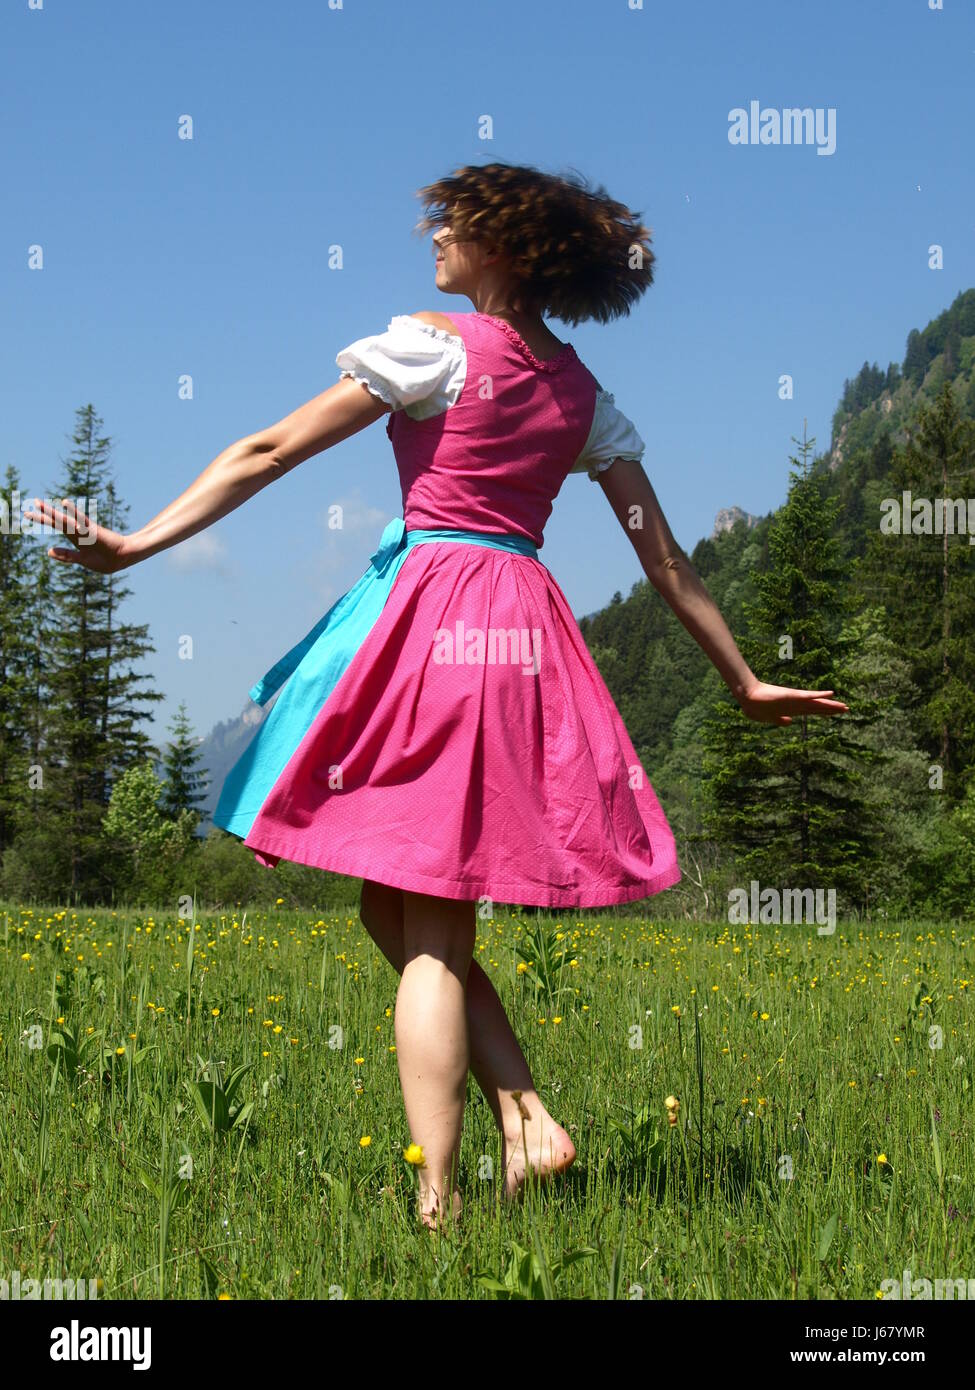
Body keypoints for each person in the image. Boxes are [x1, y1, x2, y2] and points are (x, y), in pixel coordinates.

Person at [27, 160, 849, 1232]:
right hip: (523, 639)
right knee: (405, 904)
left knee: (427, 933)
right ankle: (527, 1115)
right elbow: (668, 563)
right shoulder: (588, 398)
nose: (435, 240)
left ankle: (437, 1207)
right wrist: (742, 678)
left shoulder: (432, 347)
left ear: (506, 247)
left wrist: (135, 543)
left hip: (433, 624)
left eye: (455, 226)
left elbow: (271, 447)